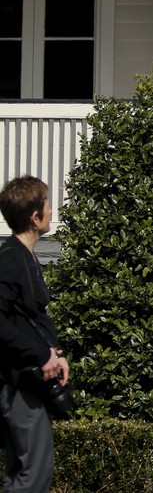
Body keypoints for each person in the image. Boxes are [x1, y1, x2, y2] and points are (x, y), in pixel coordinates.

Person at [0, 176, 70, 493]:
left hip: (25, 380)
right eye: (47, 204)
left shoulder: (24, 256)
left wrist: (55, 353)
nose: (52, 210)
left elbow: (31, 318)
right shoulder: (12, 259)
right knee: (35, 476)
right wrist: (42, 355)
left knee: (20, 472)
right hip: (17, 382)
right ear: (34, 216)